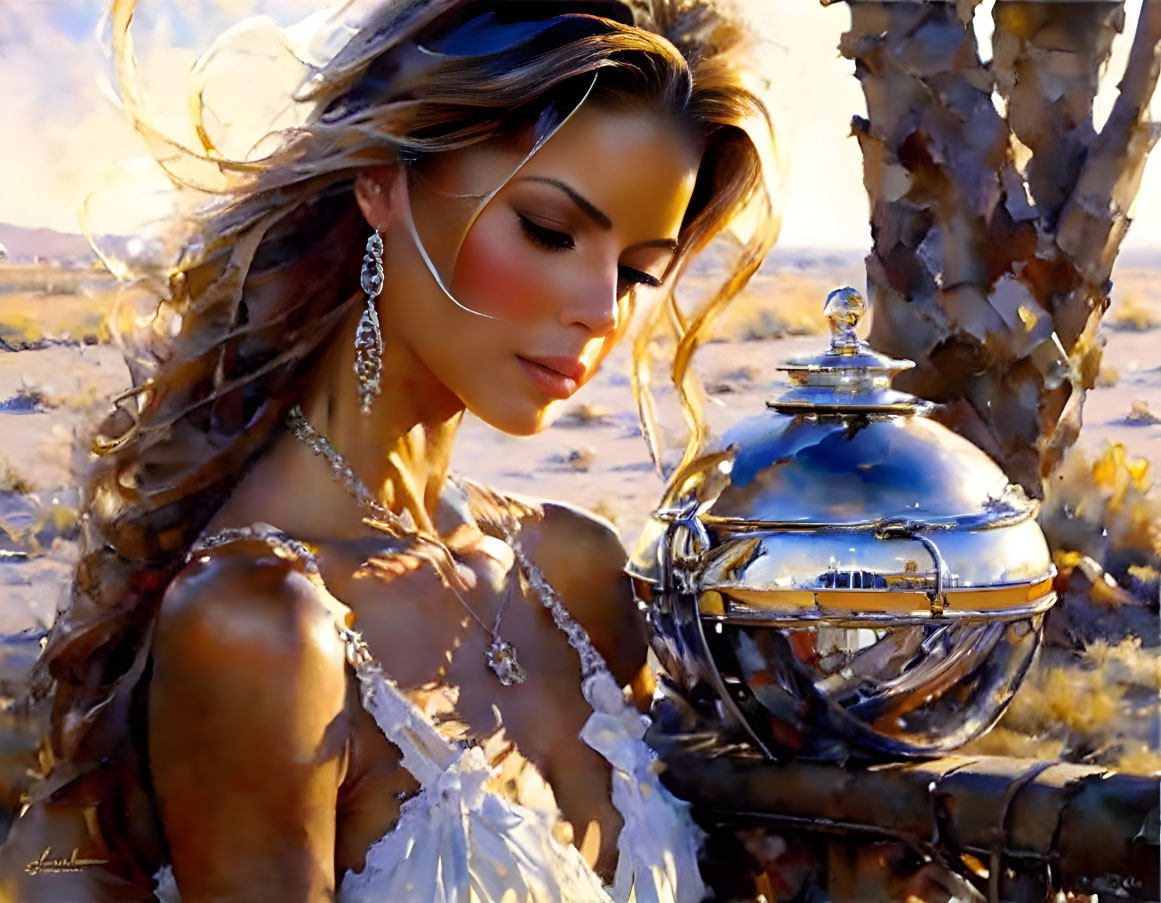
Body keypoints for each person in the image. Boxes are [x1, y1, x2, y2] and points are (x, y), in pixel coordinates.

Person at [0, 0, 777, 899]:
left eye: (637, 269)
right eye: (550, 231)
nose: (603, 309)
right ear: (382, 184)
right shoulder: (261, 624)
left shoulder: (576, 569)